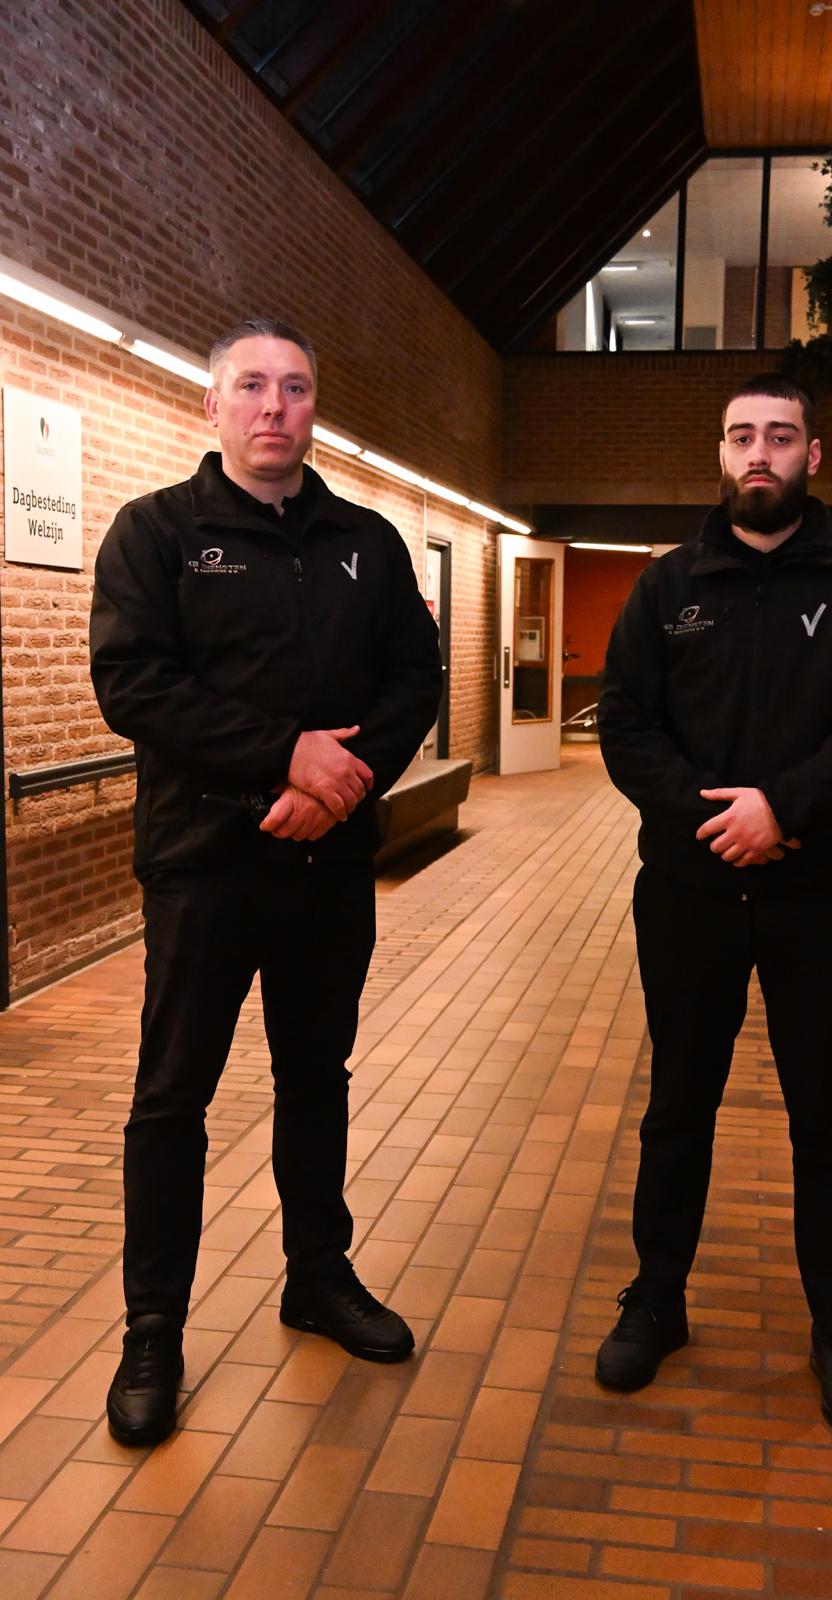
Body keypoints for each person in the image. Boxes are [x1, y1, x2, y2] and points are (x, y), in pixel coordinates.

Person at [90, 316, 442, 1447]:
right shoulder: (157, 533)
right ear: (214, 405)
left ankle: (317, 1275)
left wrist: (340, 786)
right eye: (251, 386)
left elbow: (413, 680)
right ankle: (153, 1328)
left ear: (312, 406)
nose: (274, 407)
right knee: (171, 1098)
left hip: (326, 867)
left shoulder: (366, 542)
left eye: (294, 388)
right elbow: (135, 685)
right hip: (203, 867)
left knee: (315, 1077)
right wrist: (284, 758)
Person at [595, 374, 832, 1432]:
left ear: (812, 457)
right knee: (676, 1106)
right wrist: (714, 817)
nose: (759, 453)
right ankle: (657, 1298)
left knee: (825, 1115)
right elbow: (626, 725)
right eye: (742, 435)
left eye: (780, 436)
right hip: (688, 892)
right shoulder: (667, 586)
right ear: (722, 453)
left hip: (819, 896)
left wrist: (782, 807)